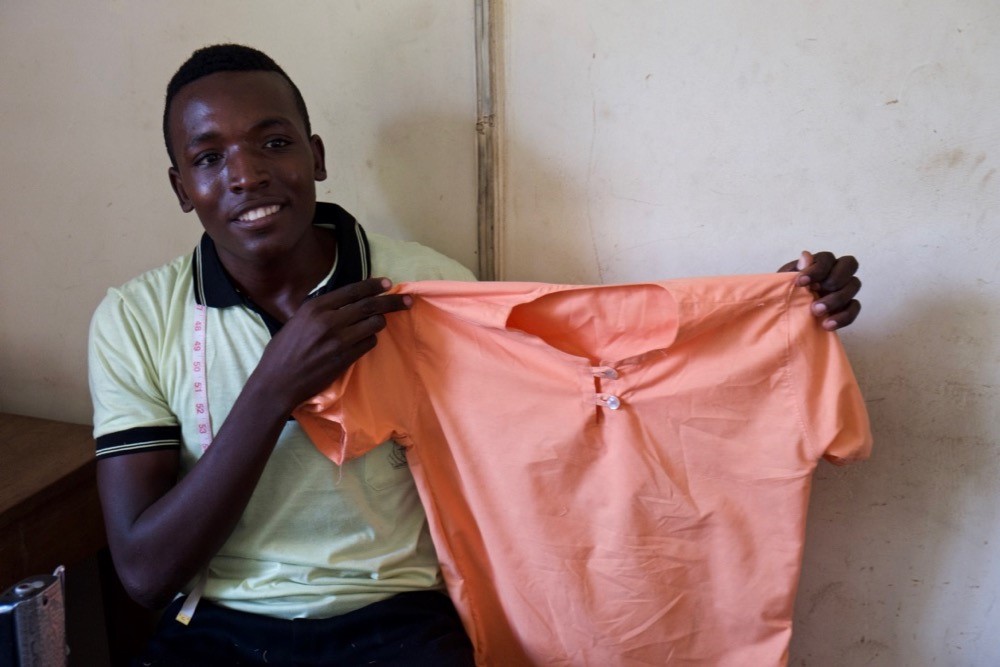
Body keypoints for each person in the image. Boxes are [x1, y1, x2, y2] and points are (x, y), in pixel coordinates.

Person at [88, 44, 862, 665]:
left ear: (316, 155)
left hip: (398, 616)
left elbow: (589, 399)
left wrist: (768, 318)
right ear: (180, 185)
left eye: (274, 142)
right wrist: (274, 387)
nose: (248, 173)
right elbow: (146, 571)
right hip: (220, 621)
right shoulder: (134, 319)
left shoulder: (426, 289)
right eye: (210, 156)